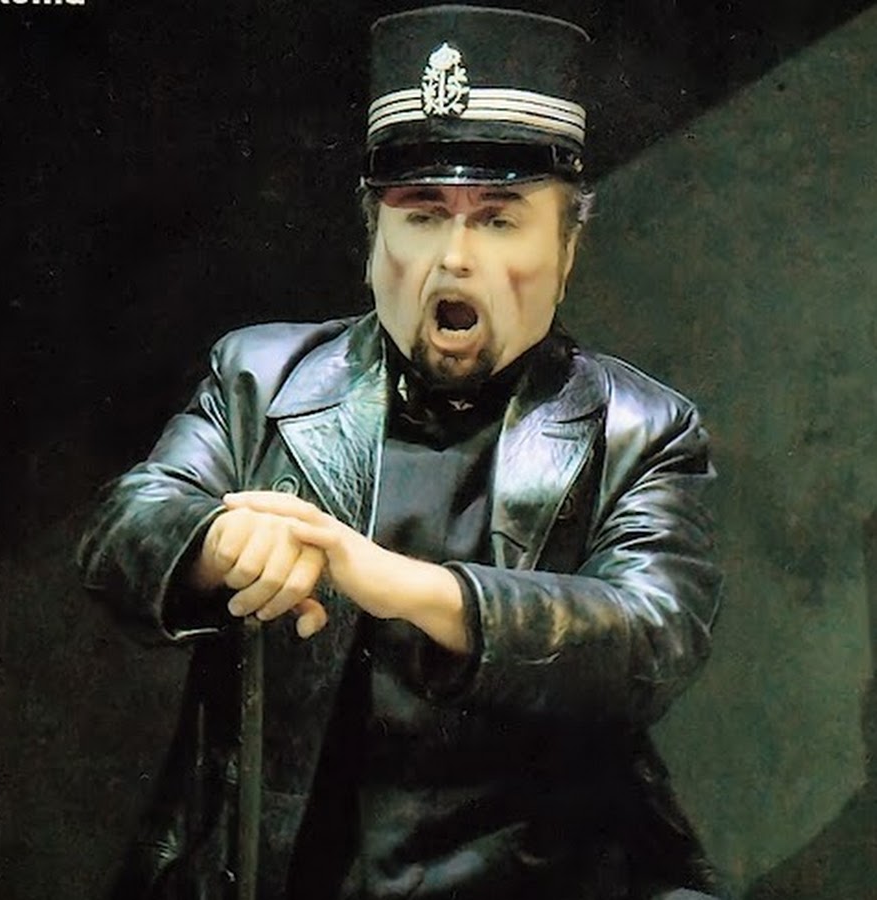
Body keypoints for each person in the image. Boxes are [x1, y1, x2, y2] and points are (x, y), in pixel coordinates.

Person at [79, 5, 723, 899]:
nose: (454, 259)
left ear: (567, 249)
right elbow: (124, 528)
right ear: (374, 241)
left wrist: (396, 583)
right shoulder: (260, 377)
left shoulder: (642, 429)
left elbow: (653, 633)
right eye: (421, 215)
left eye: (499, 220)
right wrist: (219, 543)